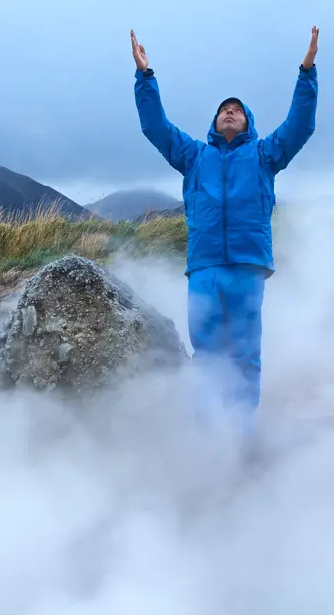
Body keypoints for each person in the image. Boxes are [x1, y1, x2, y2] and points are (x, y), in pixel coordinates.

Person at [130, 26, 318, 438]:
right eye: (224, 109)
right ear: (215, 122)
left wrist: (307, 72)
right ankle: (209, 435)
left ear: (248, 120)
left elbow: (300, 126)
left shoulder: (265, 154)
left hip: (248, 268)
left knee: (246, 356)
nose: (229, 111)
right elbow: (156, 128)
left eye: (237, 109)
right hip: (205, 269)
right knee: (209, 354)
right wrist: (145, 78)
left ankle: (242, 435)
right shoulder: (194, 155)